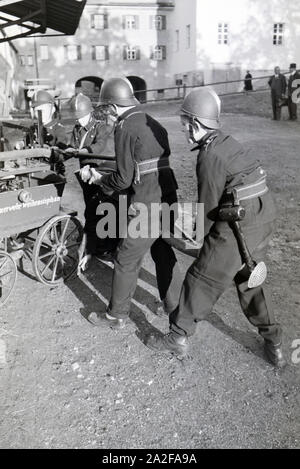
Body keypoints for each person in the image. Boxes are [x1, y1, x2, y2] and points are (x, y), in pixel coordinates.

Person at [146, 87, 285, 368]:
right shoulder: (226, 141)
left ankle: (177, 337)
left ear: (196, 124)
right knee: (249, 278)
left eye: (185, 125)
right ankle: (276, 342)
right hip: (263, 212)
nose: (184, 132)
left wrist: (199, 241)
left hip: (240, 221)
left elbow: (208, 209)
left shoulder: (209, 156)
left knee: (202, 277)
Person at [80, 77, 182, 329]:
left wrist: (100, 178)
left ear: (113, 107)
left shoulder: (125, 127)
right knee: (162, 250)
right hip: (168, 194)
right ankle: (172, 304)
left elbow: (124, 178)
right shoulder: (153, 122)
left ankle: (116, 316)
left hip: (147, 202)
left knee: (126, 258)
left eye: (107, 109)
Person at [64, 93, 117, 269]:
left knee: (105, 211)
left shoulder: (101, 128)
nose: (78, 121)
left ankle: (107, 248)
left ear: (90, 113)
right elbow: (71, 146)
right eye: (76, 118)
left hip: (101, 173)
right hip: (86, 175)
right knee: (91, 211)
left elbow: (99, 147)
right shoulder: (77, 129)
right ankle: (95, 247)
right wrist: (65, 151)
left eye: (81, 117)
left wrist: (81, 151)